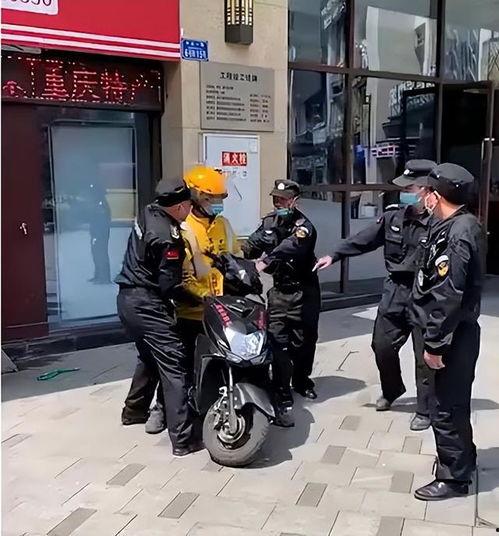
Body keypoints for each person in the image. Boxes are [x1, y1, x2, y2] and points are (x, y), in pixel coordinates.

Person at [314, 160, 436, 431]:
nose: (404, 193)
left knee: (424, 357)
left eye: (410, 188)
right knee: (382, 345)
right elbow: (363, 240)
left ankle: (425, 409)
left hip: (425, 295)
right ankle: (392, 389)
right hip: (395, 292)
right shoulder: (394, 218)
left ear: (427, 189)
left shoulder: (440, 223)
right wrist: (334, 255)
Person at [144, 165, 240, 434]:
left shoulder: (223, 225)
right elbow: (178, 274)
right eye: (212, 199)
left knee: (222, 362)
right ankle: (161, 408)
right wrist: (198, 296)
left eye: (220, 198)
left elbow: (236, 256)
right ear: (197, 198)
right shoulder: (183, 228)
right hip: (190, 310)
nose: (217, 204)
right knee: (179, 365)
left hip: (219, 310)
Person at [411, 163, 483, 501]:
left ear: (436, 196)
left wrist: (435, 344)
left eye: (426, 191)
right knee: (454, 403)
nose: (422, 197)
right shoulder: (457, 224)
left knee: (444, 407)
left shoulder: (458, 233)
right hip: (455, 331)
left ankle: (453, 478)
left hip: (452, 334)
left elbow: (448, 293)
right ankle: (464, 458)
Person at [116, 178, 202, 456]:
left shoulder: (148, 212)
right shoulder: (169, 239)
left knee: (149, 356)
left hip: (126, 301)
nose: (191, 209)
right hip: (147, 304)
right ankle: (184, 440)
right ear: (178, 207)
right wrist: (200, 300)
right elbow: (170, 286)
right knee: (174, 365)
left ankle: (134, 411)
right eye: (189, 205)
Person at [243, 179, 320, 427]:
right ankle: (281, 390)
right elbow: (250, 246)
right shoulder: (269, 223)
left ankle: (302, 381)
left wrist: (266, 260)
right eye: (275, 199)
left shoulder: (304, 227)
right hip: (279, 293)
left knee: (304, 342)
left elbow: (291, 247)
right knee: (277, 343)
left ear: (294, 201)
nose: (278, 203)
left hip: (304, 292)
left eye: (283, 199)